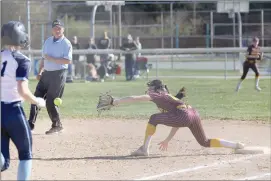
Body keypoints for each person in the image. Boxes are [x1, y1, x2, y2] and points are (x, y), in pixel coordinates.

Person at [105, 79, 245, 156]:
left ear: (156, 89)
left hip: (183, 115)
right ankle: (236, 145)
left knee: (154, 118)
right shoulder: (167, 98)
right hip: (193, 113)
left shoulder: (159, 95)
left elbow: (136, 98)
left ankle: (144, 149)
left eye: (150, 88)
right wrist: (167, 140)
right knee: (204, 142)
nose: (148, 90)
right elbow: (178, 121)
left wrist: (116, 102)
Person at [1, 21, 46, 180]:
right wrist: (37, 102)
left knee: (3, 162)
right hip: (13, 111)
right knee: (26, 154)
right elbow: (23, 91)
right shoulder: (22, 60)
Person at [28, 19, 73, 135]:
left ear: (63, 29)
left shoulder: (66, 43)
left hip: (59, 74)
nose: (57, 30)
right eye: (55, 28)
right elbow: (44, 58)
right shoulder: (48, 41)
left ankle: (57, 125)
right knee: (35, 98)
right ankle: (30, 125)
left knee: (50, 101)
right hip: (46, 73)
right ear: (52, 30)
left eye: (59, 28)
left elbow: (68, 60)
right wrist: (40, 71)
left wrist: (52, 59)